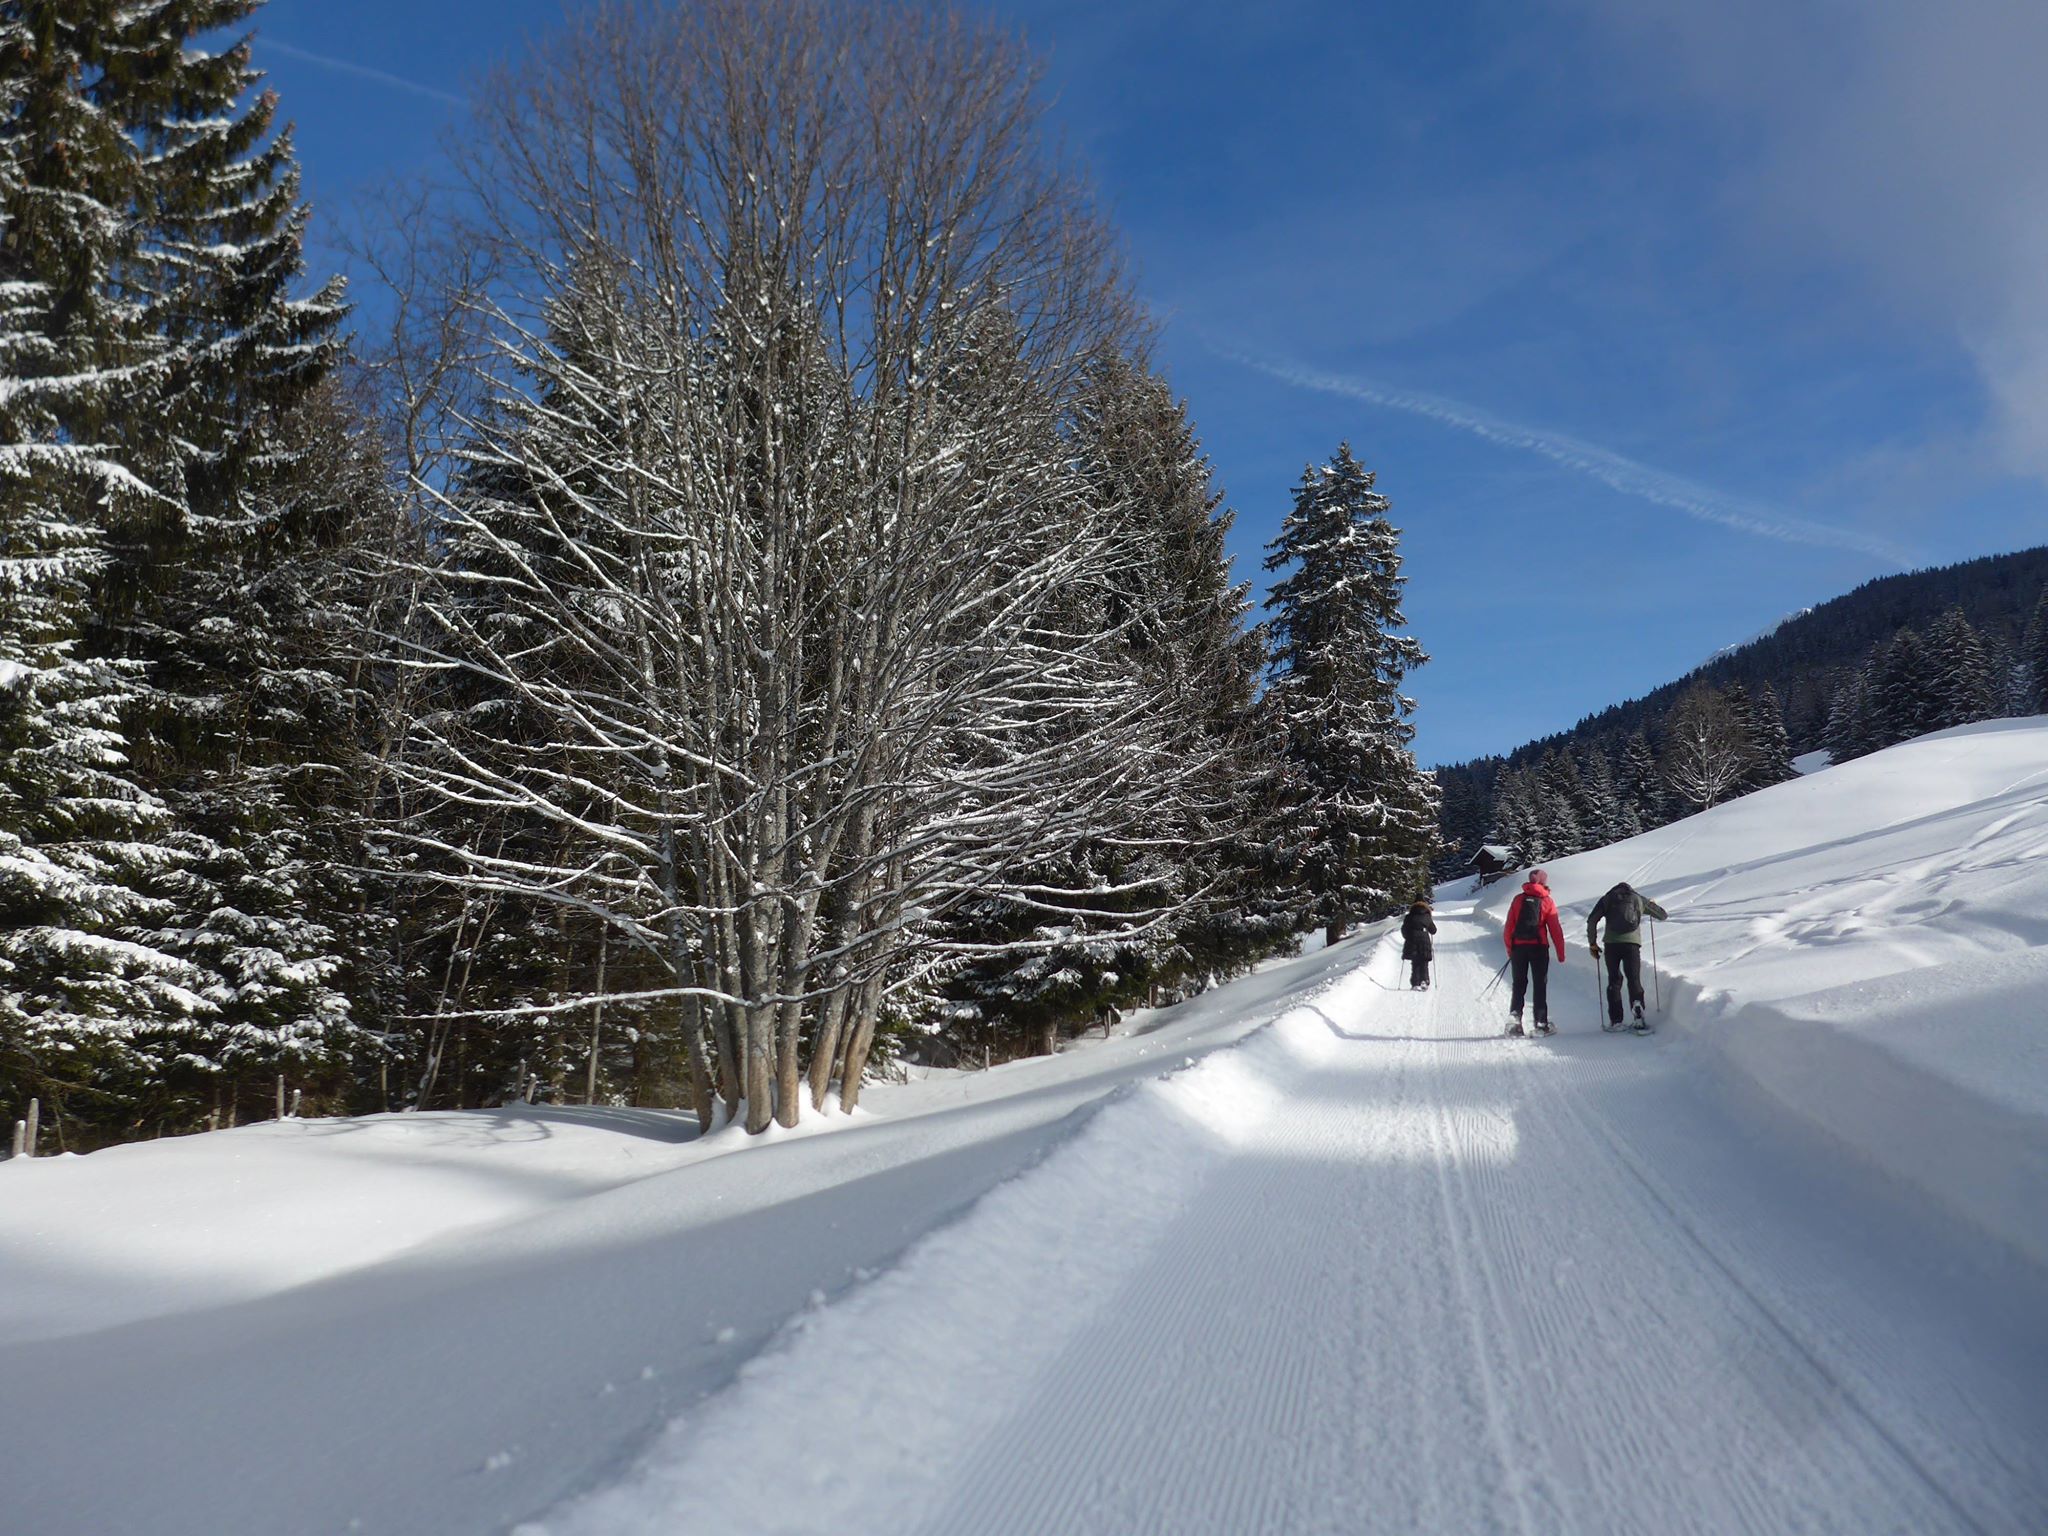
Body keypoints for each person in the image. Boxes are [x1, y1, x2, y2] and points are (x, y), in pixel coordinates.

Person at [1587, 880, 1668, 1032]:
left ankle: (1616, 1021)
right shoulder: (1637, 898)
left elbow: (1592, 920)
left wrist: (1592, 943)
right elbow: (1663, 915)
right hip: (1632, 944)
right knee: (1634, 979)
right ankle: (1638, 1011)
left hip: (1611, 944)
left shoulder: (1607, 898)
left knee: (1614, 980)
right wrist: (1651, 904)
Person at [1502, 868, 1565, 1035]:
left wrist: (1510, 948)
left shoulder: (1518, 900)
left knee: (1519, 984)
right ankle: (1540, 1023)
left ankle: (1515, 1021)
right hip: (1539, 948)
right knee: (1539, 985)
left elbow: (1509, 926)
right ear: (1544, 882)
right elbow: (1555, 929)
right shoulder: (1547, 901)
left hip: (1518, 948)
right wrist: (1560, 952)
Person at [1399, 895, 1436, 989]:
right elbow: (1433, 930)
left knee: (1415, 961)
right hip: (1424, 938)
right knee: (1424, 960)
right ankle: (1424, 980)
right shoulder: (1427, 916)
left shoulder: (1409, 916)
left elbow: (1404, 929)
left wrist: (1407, 936)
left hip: (1412, 938)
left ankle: (1415, 983)